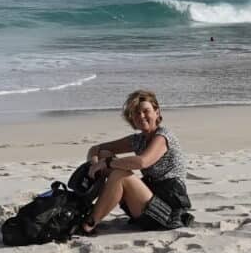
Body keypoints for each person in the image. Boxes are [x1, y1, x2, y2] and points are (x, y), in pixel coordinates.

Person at [83, 88, 193, 232]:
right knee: (105, 153)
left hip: (167, 210)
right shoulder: (138, 140)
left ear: (157, 112)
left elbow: (142, 162)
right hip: (147, 200)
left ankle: (88, 224)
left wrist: (107, 163)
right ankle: (88, 204)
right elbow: (96, 148)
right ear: (132, 118)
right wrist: (94, 163)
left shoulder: (163, 136)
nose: (141, 116)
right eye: (136, 113)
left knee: (119, 175)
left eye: (145, 111)